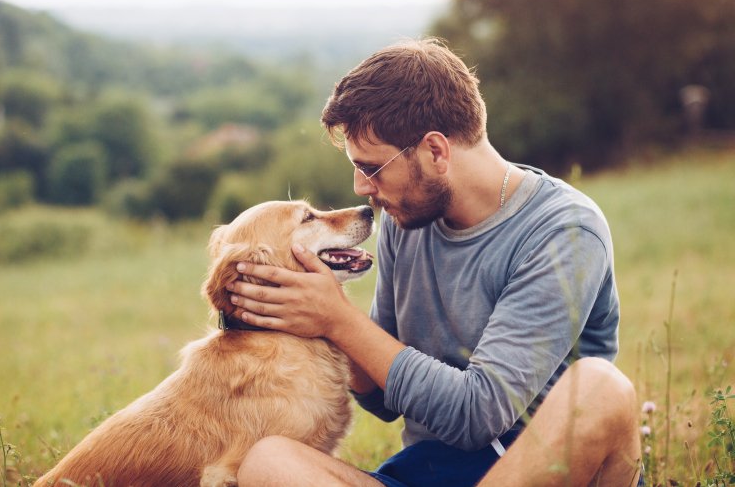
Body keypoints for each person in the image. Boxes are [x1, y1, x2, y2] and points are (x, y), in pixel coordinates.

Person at [226, 38, 642, 486]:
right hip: (426, 474)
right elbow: (384, 399)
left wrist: (338, 321)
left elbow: (477, 414)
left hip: (530, 472)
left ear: (436, 152)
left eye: (371, 168)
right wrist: (302, 308)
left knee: (603, 388)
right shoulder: (405, 219)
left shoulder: (564, 232)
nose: (361, 188)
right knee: (268, 461)